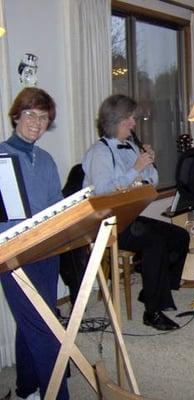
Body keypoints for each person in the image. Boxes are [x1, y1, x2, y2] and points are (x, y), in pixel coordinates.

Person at [82, 94, 190, 331]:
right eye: (129, 118)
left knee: (180, 237)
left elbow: (153, 180)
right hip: (106, 223)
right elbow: (102, 191)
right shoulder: (98, 153)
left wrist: (148, 163)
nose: (134, 123)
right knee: (155, 243)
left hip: (128, 217)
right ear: (115, 121)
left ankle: (156, 289)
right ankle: (152, 312)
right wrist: (135, 169)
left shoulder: (130, 145)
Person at [0, 88, 69, 399]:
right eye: (30, 114)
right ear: (16, 115)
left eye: (43, 118)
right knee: (43, 326)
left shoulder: (46, 160)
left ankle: (27, 388)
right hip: (13, 254)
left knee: (34, 319)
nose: (36, 123)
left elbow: (56, 204)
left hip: (46, 251)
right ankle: (58, 393)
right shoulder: (0, 157)